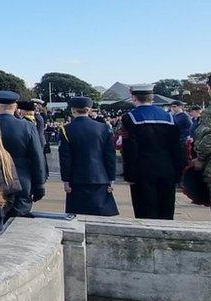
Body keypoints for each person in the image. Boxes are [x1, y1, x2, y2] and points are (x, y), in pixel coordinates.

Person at [120, 84, 185, 220]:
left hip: (142, 171)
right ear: (152, 97)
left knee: (145, 211)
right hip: (167, 170)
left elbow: (130, 149)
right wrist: (179, 174)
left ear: (134, 97)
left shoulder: (130, 118)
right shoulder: (169, 118)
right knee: (166, 211)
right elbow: (177, 148)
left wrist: (129, 175)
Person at [59, 97, 118, 216]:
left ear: (73, 110)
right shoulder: (104, 128)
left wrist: (66, 180)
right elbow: (110, 155)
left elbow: (65, 158)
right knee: (101, 216)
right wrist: (111, 178)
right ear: (89, 110)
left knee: (78, 216)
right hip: (100, 177)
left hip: (76, 179)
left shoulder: (66, 129)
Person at [0, 91, 47, 217]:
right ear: (15, 107)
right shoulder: (27, 126)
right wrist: (39, 185)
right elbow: (37, 157)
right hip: (22, 180)